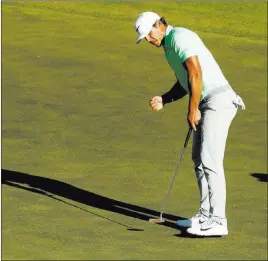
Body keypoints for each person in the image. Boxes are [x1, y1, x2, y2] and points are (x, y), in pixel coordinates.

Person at [134, 11, 245, 237]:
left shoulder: (180, 37)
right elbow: (184, 82)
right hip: (205, 101)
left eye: (148, 34)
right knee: (198, 159)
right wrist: (165, 99)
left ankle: (218, 220)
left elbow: (196, 73)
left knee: (210, 159)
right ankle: (205, 214)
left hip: (218, 100)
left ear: (159, 24)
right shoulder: (168, 49)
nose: (148, 39)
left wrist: (193, 109)